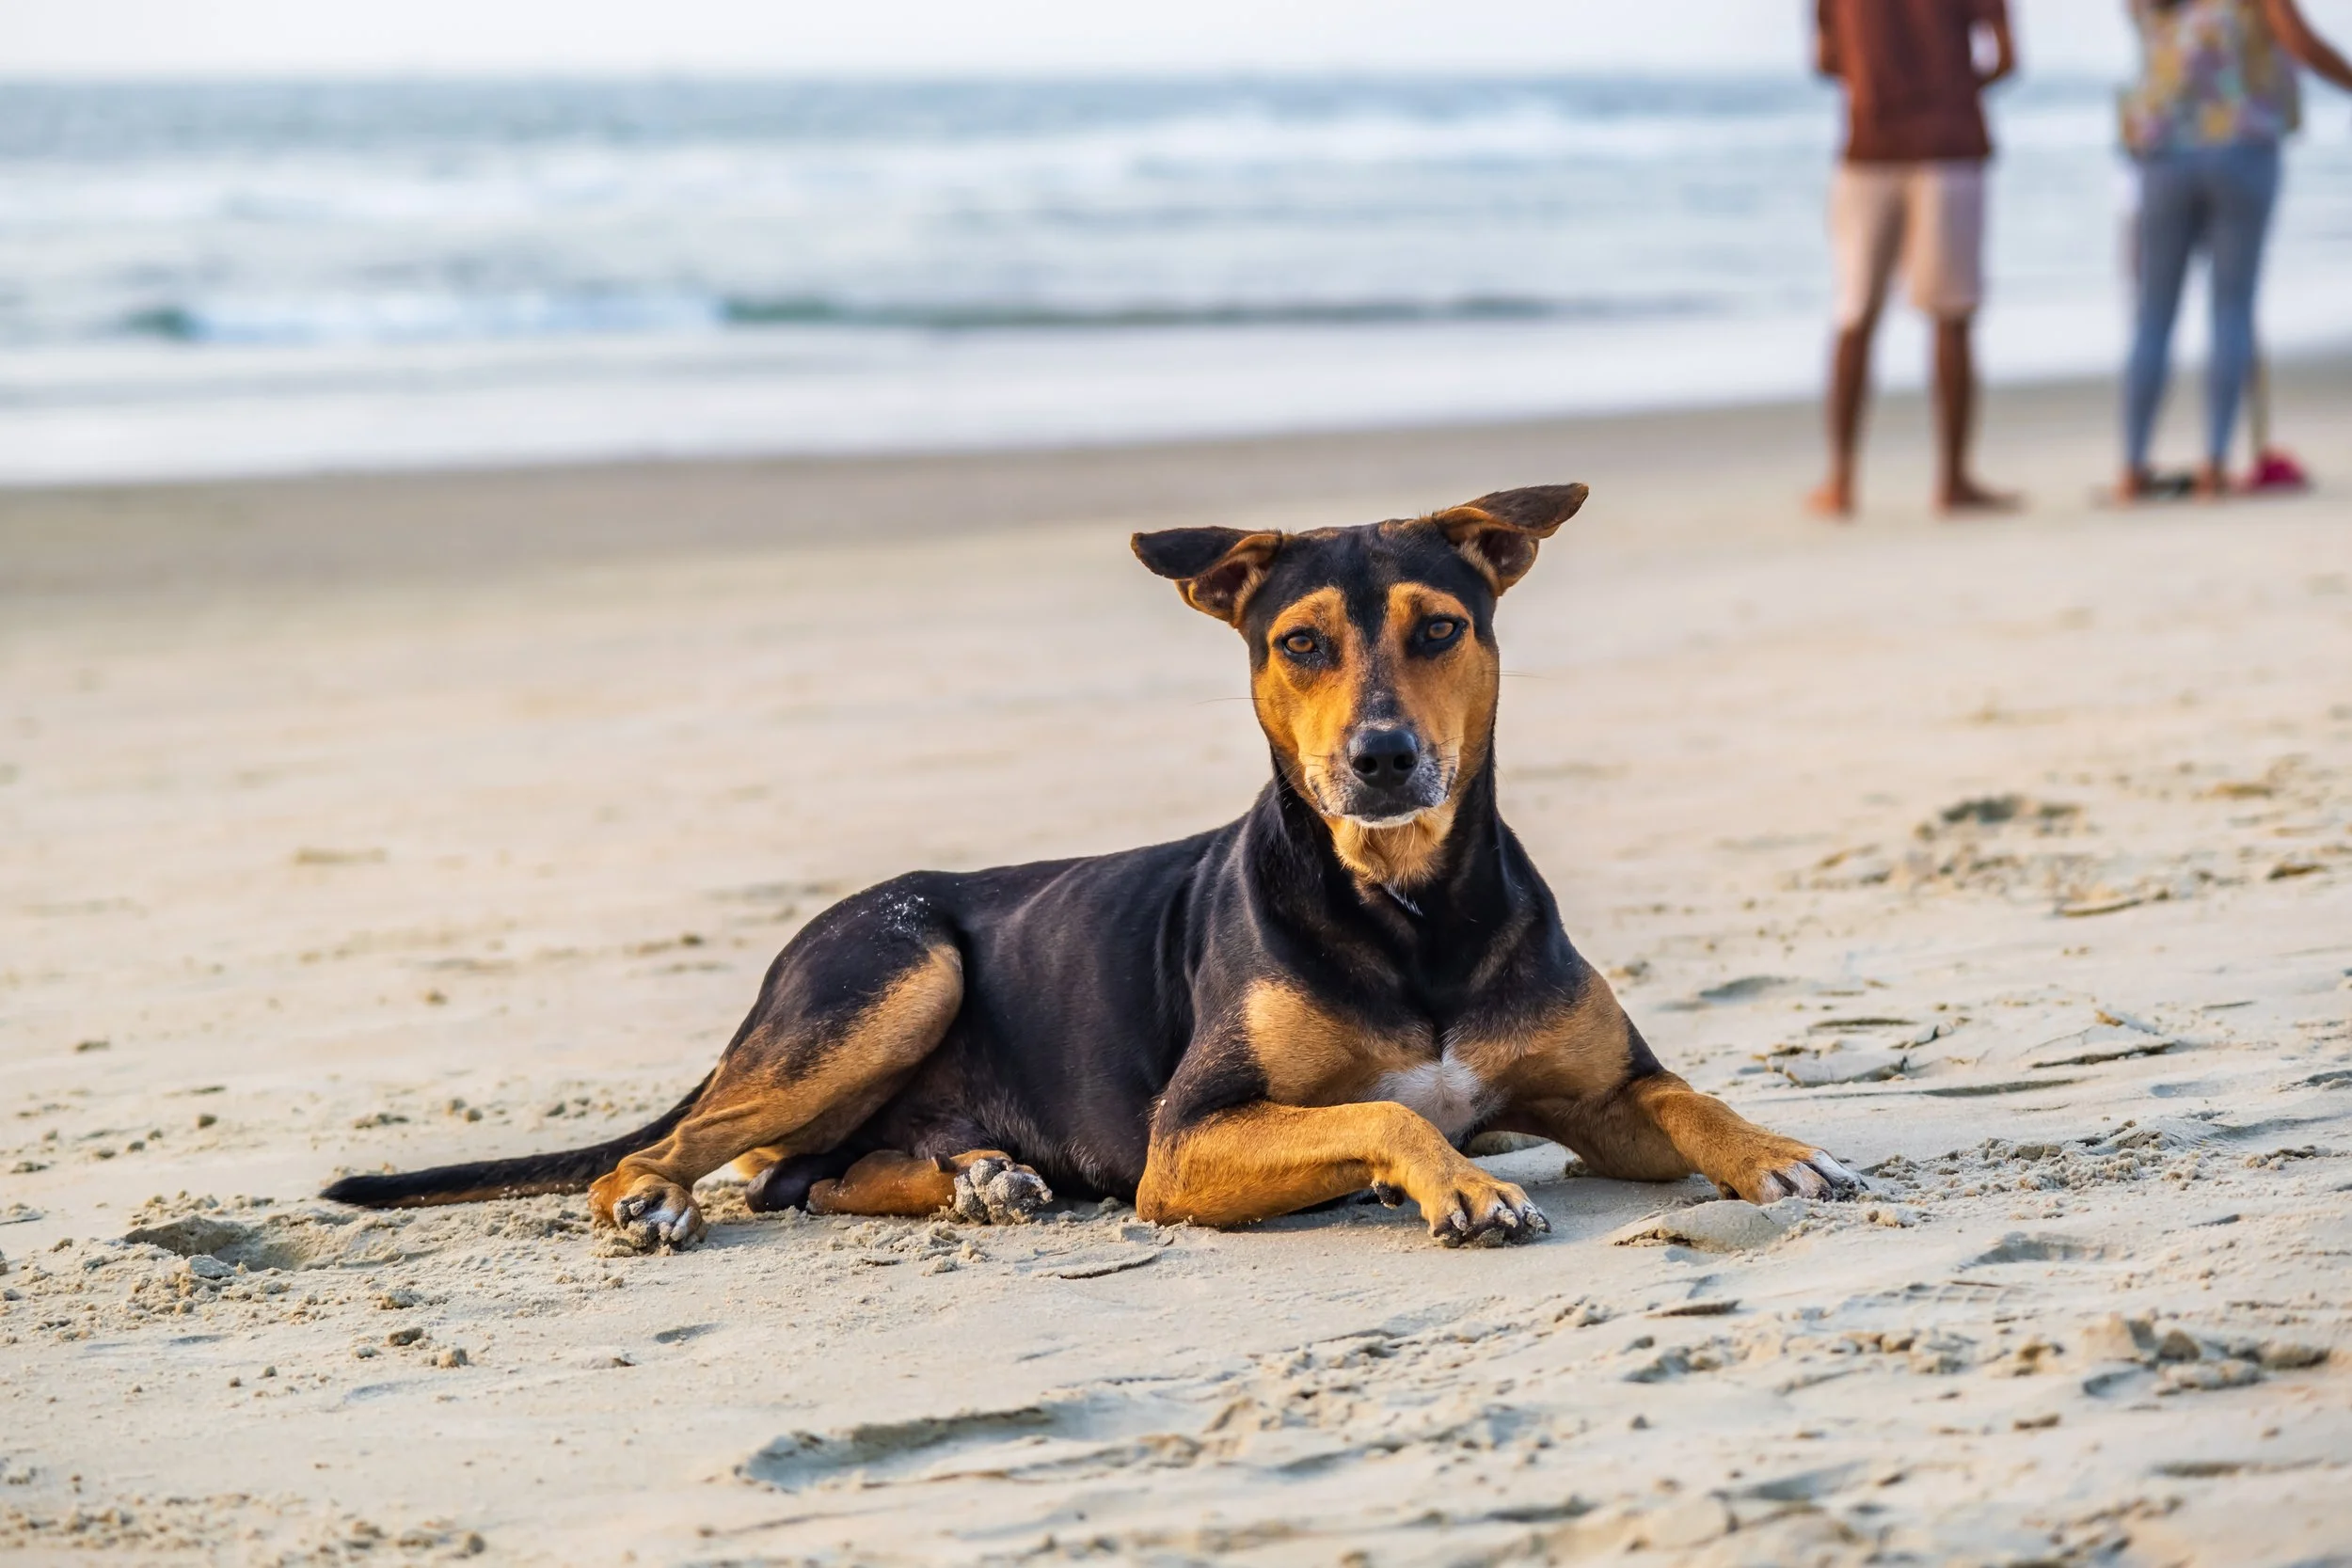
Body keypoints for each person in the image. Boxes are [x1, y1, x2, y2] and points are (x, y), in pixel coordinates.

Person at [2118, 0, 2352, 501]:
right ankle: (2215, 463)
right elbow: (2303, 46)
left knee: (2153, 314)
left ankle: (2132, 468)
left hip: (2161, 149)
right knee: (2233, 305)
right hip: (2242, 144)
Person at [1810, 0, 2019, 519]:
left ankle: (1841, 481)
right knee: (1952, 317)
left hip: (1870, 140)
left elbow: (1824, 58)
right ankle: (1952, 481)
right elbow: (2005, 58)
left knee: (1854, 314)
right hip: (1949, 145)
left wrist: (1880, 78)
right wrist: (1946, 88)